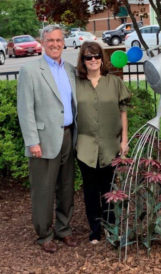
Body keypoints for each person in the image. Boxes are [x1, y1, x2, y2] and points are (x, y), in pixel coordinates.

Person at [17, 25, 77, 253]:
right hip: (42, 140)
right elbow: (25, 109)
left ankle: (64, 229)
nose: (55, 44)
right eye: (50, 40)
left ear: (64, 42)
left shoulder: (69, 69)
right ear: (42, 42)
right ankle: (44, 235)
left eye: (59, 40)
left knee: (66, 187)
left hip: (68, 135)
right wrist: (32, 141)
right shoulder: (31, 70)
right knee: (43, 189)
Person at [76, 41, 130, 244]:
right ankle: (95, 229)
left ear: (102, 58)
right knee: (90, 191)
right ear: (83, 60)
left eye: (96, 56)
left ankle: (111, 227)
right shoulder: (76, 84)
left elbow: (123, 111)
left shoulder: (114, 83)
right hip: (85, 146)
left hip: (110, 145)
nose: (93, 60)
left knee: (109, 189)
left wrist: (124, 140)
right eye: (88, 57)